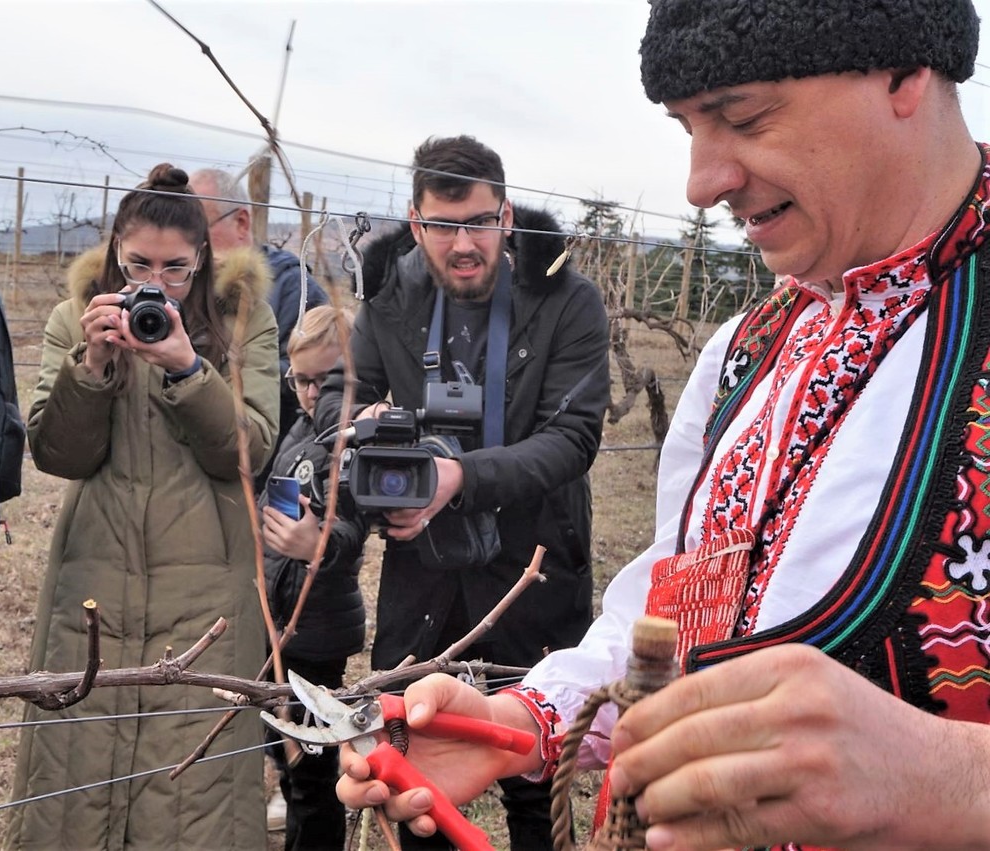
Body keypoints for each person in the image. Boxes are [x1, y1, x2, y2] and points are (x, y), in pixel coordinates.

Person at [335, 2, 990, 850]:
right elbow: (673, 609)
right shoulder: (744, 350)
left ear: (904, 73)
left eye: (743, 115)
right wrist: (523, 720)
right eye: (686, 127)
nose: (701, 180)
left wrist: (949, 775)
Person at [317, 134, 611, 849]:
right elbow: (333, 397)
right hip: (423, 581)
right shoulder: (391, 300)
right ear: (415, 223)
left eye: (478, 221)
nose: (462, 243)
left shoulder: (564, 300)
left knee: (534, 786)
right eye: (443, 226)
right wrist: (363, 424)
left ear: (506, 216)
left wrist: (458, 477)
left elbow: (572, 437)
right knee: (413, 779)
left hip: (531, 570)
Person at [4, 163, 280, 850]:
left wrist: (190, 367)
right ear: (115, 254)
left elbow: (248, 454)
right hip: (94, 584)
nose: (154, 284)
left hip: (206, 594)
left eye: (176, 269)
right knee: (77, 777)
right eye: (138, 264)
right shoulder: (77, 318)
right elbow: (57, 455)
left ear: (205, 258)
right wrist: (91, 367)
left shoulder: (244, 321)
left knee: (190, 794)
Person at [258, 304, 368, 849]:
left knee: (313, 776)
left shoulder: (350, 442)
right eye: (300, 379)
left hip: (317, 630)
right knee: (287, 760)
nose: (309, 392)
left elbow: (351, 531)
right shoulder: (299, 429)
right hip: (279, 621)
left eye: (325, 380)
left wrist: (315, 548)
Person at [189, 167, 329, 459]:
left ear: (241, 223)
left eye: (195, 227)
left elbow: (316, 382)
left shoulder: (293, 288)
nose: (188, 241)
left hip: (266, 467)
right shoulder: (177, 282)